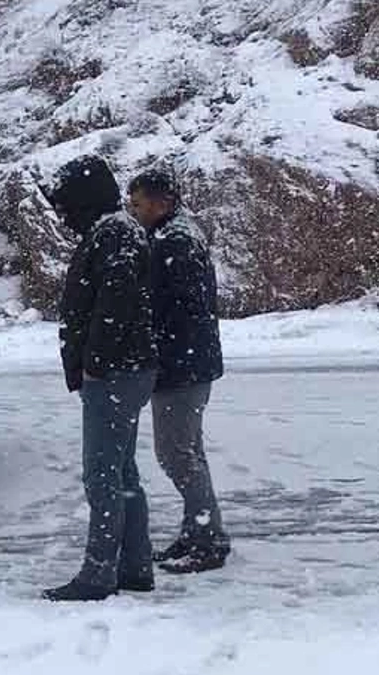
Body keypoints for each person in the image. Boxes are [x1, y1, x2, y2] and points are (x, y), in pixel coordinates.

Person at [40, 154, 158, 602]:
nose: (64, 215)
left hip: (115, 373)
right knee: (122, 471)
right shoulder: (116, 230)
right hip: (125, 369)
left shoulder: (112, 233)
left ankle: (99, 573)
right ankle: (134, 566)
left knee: (103, 474)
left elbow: (117, 301)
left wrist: (95, 360)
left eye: (68, 205)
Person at [127, 168, 230, 574]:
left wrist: (148, 337)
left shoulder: (175, 241)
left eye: (138, 204)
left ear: (163, 202)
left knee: (175, 454)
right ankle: (198, 531)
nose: (132, 211)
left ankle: (208, 540)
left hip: (181, 366)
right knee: (189, 453)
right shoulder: (174, 236)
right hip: (187, 362)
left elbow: (178, 308)